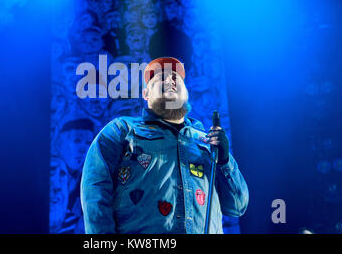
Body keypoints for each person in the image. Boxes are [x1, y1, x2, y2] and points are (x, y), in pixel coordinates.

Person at [80, 57, 248, 234]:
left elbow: (237, 206)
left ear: (186, 93)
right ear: (146, 94)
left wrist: (224, 160)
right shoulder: (121, 130)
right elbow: (95, 192)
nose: (170, 80)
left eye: (176, 78)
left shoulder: (207, 143)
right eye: (161, 78)